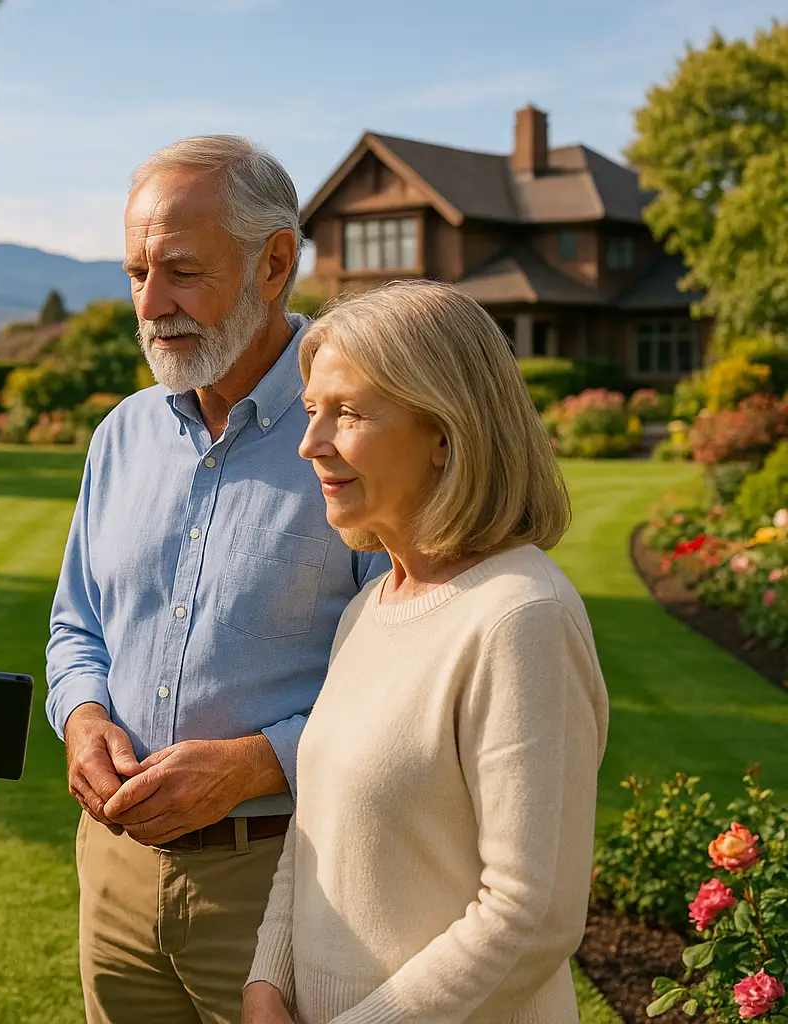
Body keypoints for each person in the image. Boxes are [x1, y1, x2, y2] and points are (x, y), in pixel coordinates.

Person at [44, 135, 389, 1024]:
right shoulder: (119, 435)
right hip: (112, 874)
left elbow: (407, 684)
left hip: (290, 877)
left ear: (276, 262)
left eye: (182, 272)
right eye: (135, 273)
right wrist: (82, 720)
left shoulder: (362, 431)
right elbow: (77, 627)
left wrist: (252, 765)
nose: (150, 305)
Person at [243, 279, 608, 1024]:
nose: (310, 443)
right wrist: (266, 983)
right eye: (312, 411)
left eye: (346, 413)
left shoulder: (519, 616)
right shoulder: (370, 609)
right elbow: (316, 829)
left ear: (446, 431)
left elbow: (531, 916)